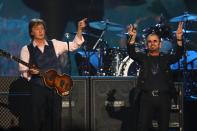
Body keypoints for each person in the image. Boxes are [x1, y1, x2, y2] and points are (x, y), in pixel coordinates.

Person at [19, 18, 87, 131]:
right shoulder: (26, 49)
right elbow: (23, 71)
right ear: (31, 32)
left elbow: (74, 45)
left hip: (55, 88)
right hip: (38, 88)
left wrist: (79, 29)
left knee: (55, 118)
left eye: (42, 28)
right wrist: (31, 73)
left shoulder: (54, 44)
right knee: (38, 119)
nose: (40, 31)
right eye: (37, 29)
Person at [127, 22, 184, 131]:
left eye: (155, 41)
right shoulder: (143, 58)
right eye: (149, 41)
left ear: (160, 44)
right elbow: (132, 53)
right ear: (146, 44)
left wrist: (179, 38)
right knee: (143, 127)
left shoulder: (166, 58)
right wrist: (132, 38)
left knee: (163, 128)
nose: (152, 43)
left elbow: (178, 55)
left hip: (164, 99)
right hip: (146, 99)